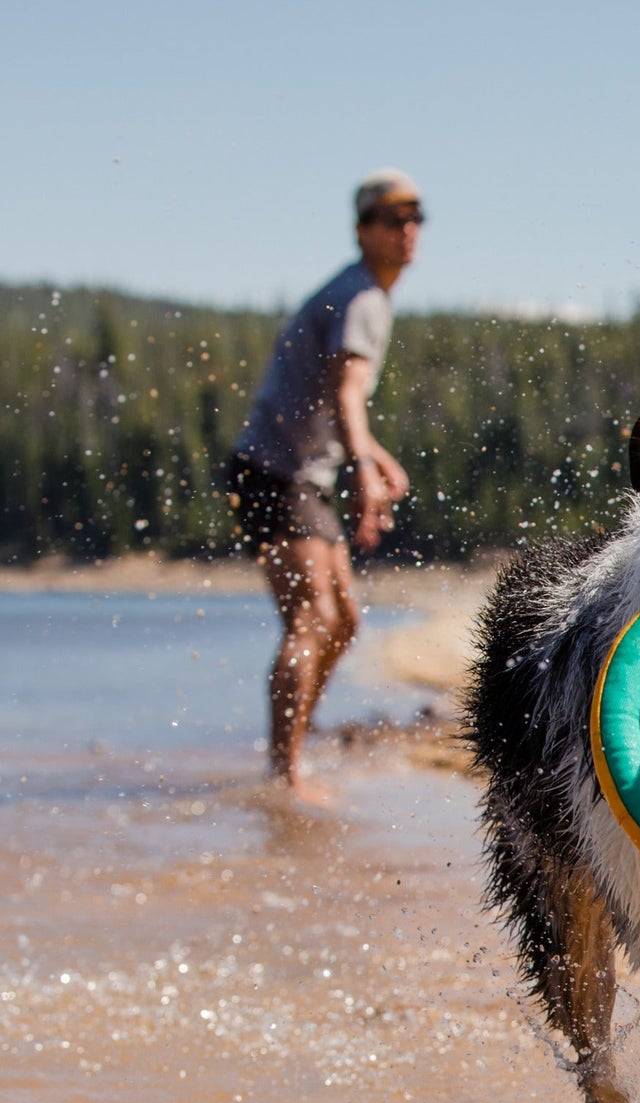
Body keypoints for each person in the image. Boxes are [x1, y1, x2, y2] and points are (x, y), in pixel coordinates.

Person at [226, 169, 424, 802]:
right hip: (277, 474)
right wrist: (363, 468)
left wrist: (372, 455)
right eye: (393, 219)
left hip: (300, 475)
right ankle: (284, 774)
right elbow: (344, 392)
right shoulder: (362, 297)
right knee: (313, 619)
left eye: (416, 217)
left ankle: (292, 754)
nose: (408, 230)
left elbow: (336, 400)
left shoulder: (363, 294)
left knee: (342, 625)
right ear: (363, 230)